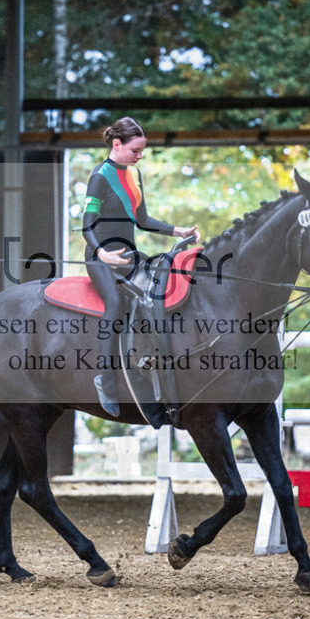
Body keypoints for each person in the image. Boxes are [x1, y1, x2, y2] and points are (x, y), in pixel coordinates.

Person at [81, 117, 198, 416]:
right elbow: (87, 226)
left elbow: (142, 220)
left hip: (130, 255)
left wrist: (178, 231)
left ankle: (153, 368)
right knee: (115, 302)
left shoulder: (135, 175)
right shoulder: (99, 177)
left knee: (156, 296)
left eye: (142, 150)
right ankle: (105, 378)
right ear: (116, 144)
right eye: (135, 150)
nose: (140, 155)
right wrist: (102, 254)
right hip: (100, 256)